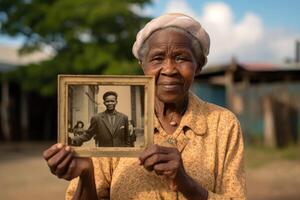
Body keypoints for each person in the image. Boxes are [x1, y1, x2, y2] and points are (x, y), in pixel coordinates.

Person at [43, 13, 246, 200]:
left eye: (181, 58)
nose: (169, 69)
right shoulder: (108, 126)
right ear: (143, 65)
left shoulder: (222, 124)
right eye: (157, 58)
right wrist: (86, 173)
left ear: (199, 65)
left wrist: (185, 183)